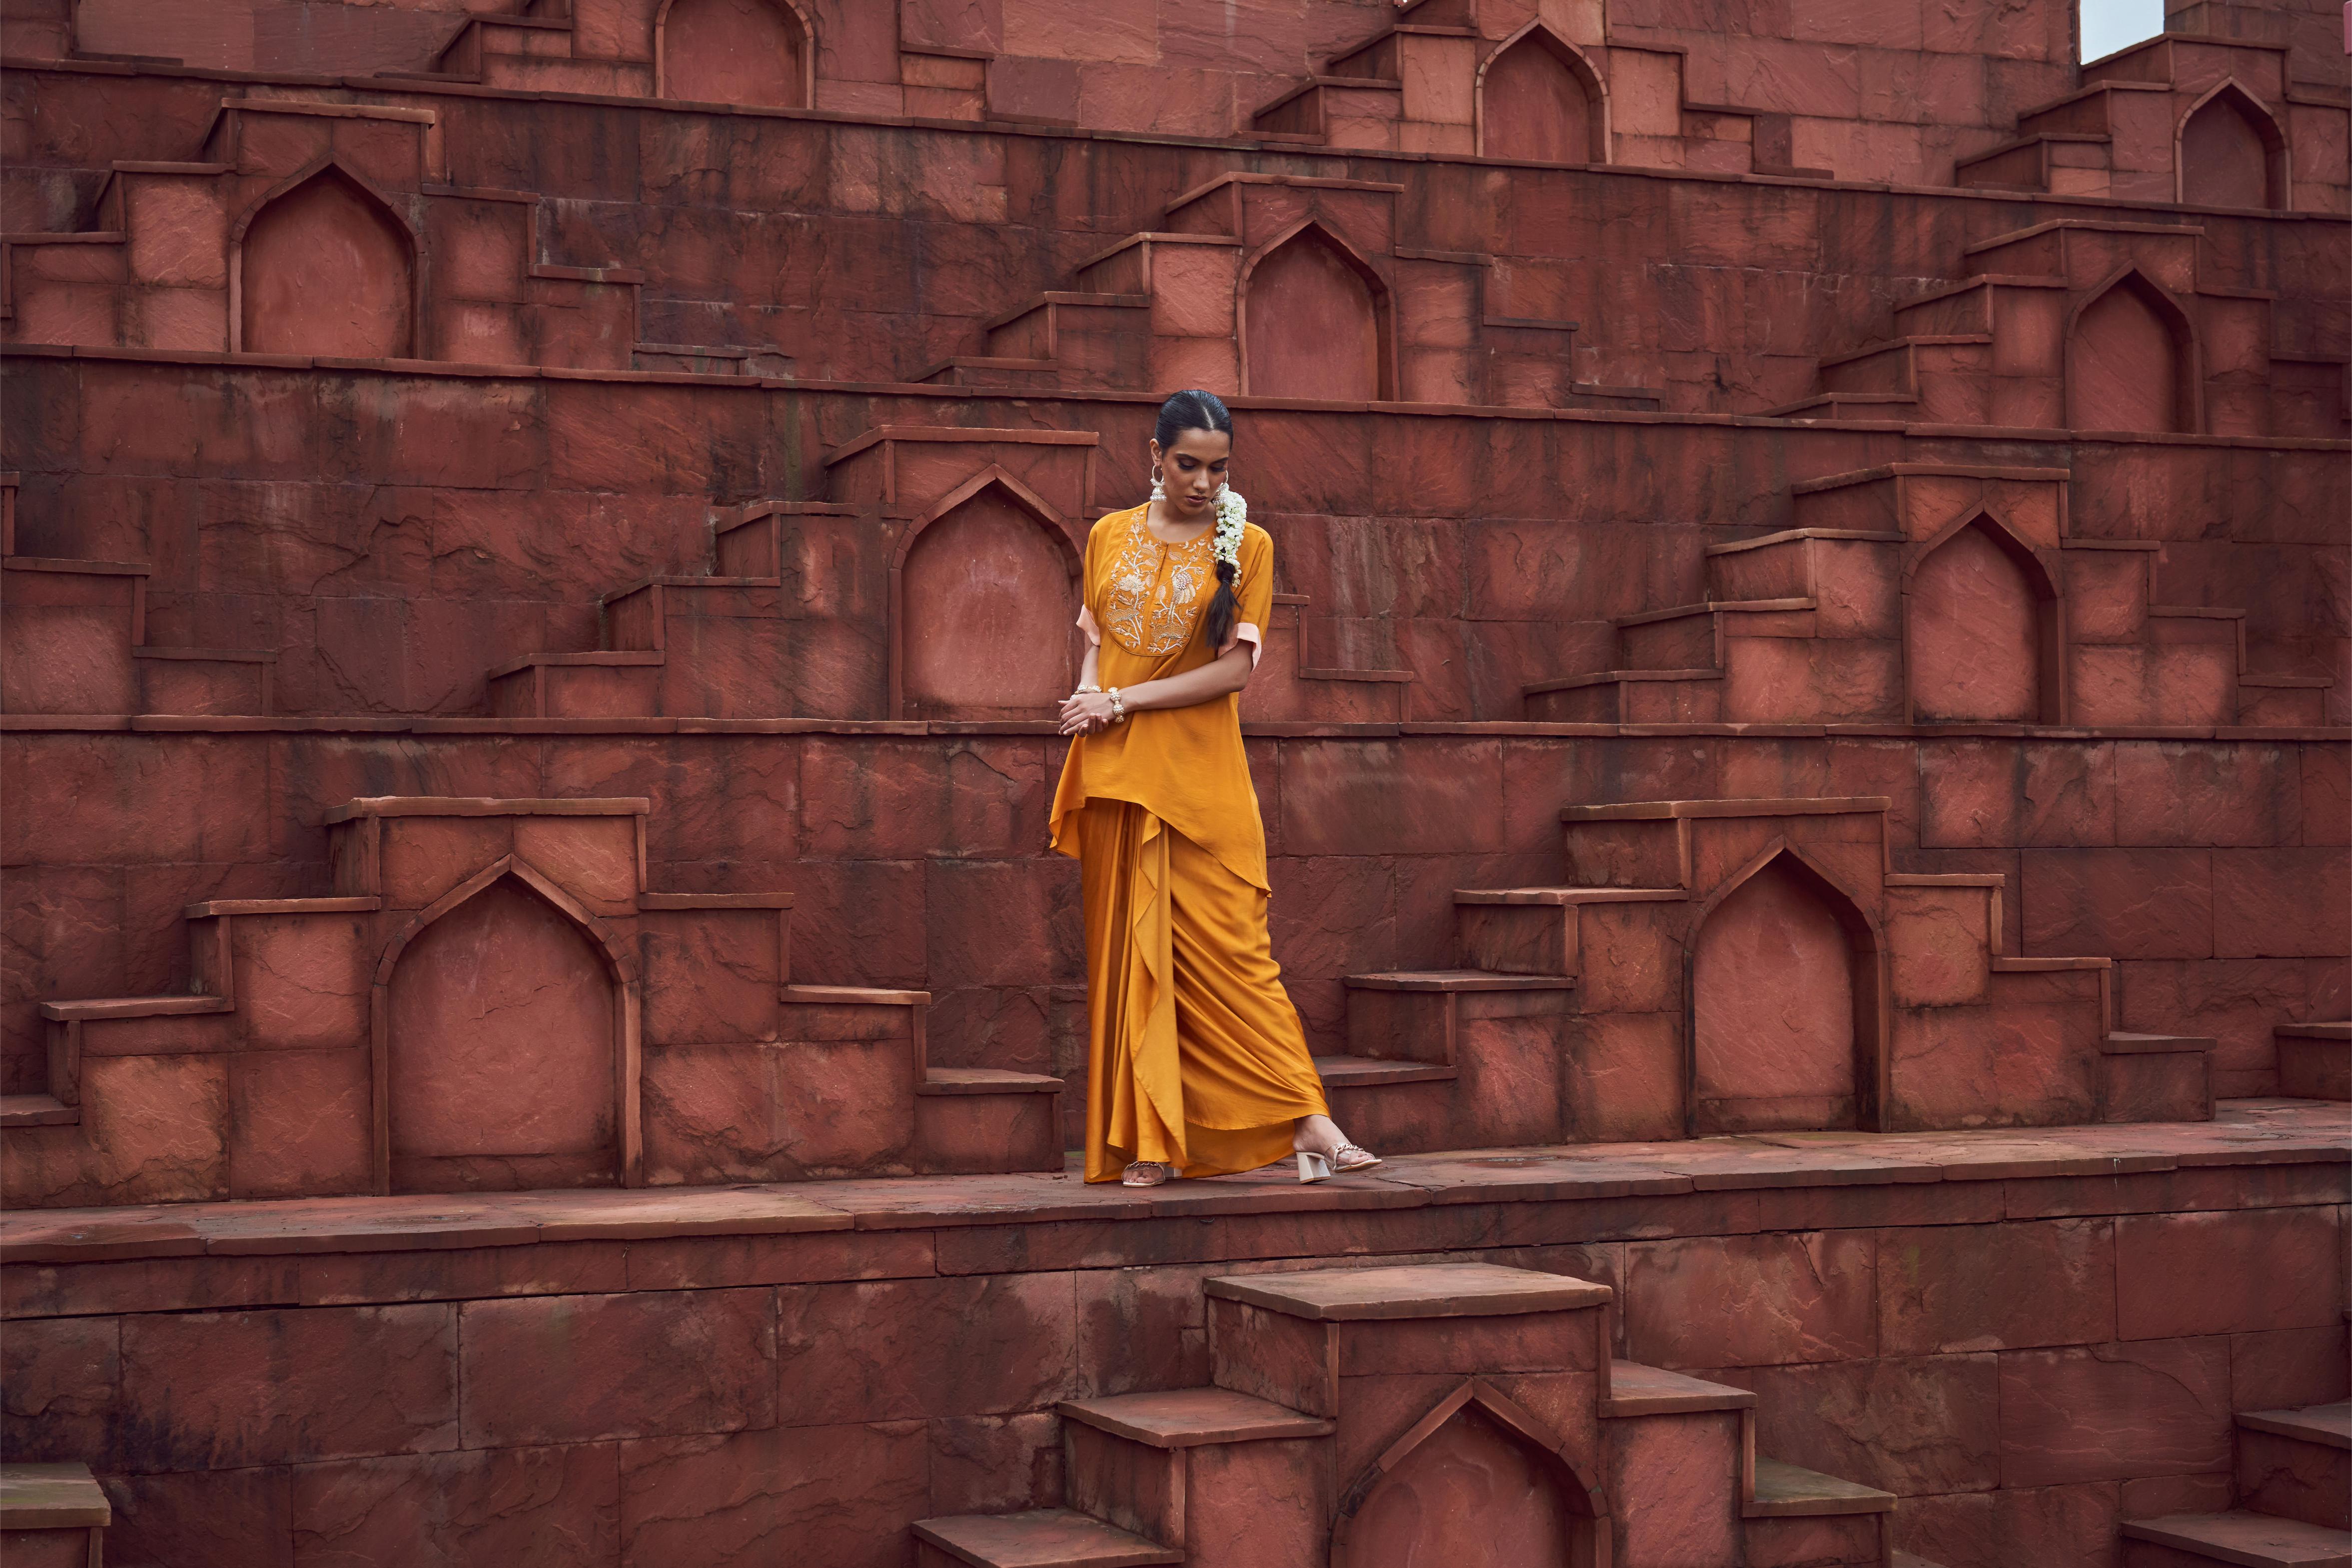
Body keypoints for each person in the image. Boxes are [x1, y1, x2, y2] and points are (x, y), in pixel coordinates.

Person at [1049, 389, 1380, 1188]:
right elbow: (1097, 636)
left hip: (1201, 776)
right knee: (1137, 958)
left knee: (1236, 954)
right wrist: (1090, 694)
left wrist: (1121, 701)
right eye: (1187, 464)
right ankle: (1152, 1141)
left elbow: (1234, 671)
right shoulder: (1107, 535)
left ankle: (1310, 1118)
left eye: (1218, 467)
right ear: (1153, 457)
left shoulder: (1251, 546)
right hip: (1118, 774)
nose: (1203, 482)